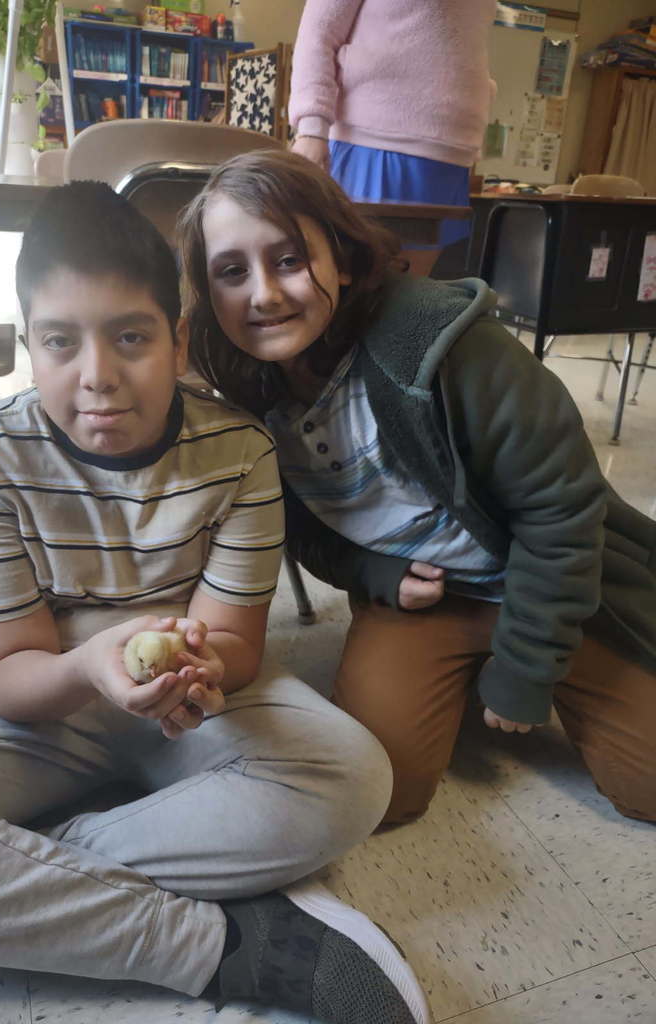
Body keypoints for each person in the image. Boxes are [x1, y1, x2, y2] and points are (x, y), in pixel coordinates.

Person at [0, 182, 432, 1024]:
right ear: (26, 344)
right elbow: (5, 676)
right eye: (60, 342)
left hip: (189, 701)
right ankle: (225, 947)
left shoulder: (241, 451)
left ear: (178, 340)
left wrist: (202, 664)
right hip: (45, 684)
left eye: (130, 337)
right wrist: (91, 665)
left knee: (354, 779)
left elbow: (239, 647)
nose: (97, 377)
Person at [178, 148, 656, 826]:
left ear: (341, 260)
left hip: (548, 580)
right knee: (380, 793)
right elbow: (306, 531)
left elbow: (563, 512)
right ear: (209, 293)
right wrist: (374, 573)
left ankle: (521, 659)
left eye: (288, 260)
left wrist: (526, 665)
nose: (264, 293)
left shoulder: (446, 346)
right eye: (232, 271)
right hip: (426, 604)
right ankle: (459, 674)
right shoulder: (250, 399)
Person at [288, 0, 496, 276]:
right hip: (377, 140)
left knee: (406, 302)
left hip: (451, 151)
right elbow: (318, 33)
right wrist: (312, 130)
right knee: (360, 293)